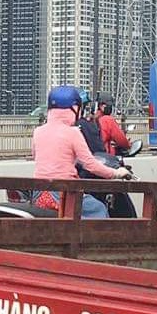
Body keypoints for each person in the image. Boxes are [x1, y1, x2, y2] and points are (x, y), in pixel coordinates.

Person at [31, 86, 120, 219]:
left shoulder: (38, 131)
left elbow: (36, 156)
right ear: (74, 109)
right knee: (99, 209)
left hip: (39, 194)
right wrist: (116, 173)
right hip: (64, 193)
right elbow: (90, 164)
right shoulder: (73, 133)